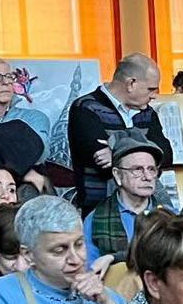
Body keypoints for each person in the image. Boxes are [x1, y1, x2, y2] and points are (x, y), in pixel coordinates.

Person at [68, 53, 172, 214]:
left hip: (147, 210)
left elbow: (166, 155)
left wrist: (115, 149)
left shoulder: (148, 113)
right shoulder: (85, 107)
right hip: (98, 211)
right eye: (151, 89)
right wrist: (147, 149)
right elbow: (100, 161)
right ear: (131, 83)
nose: (154, 95)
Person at [83, 130, 164, 270]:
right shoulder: (95, 219)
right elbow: (91, 270)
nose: (147, 177)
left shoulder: (170, 216)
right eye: (137, 169)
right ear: (117, 175)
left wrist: (114, 257)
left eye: (151, 169)